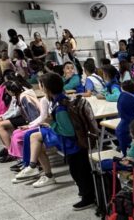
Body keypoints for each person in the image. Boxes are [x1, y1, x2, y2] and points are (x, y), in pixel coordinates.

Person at [13, 73, 98, 206]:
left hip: (73, 145)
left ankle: (88, 197)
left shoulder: (60, 107)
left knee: (79, 171)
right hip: (76, 143)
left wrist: (51, 123)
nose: (39, 87)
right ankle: (87, 194)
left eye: (41, 85)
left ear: (46, 88)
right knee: (81, 169)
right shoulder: (62, 99)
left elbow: (68, 131)